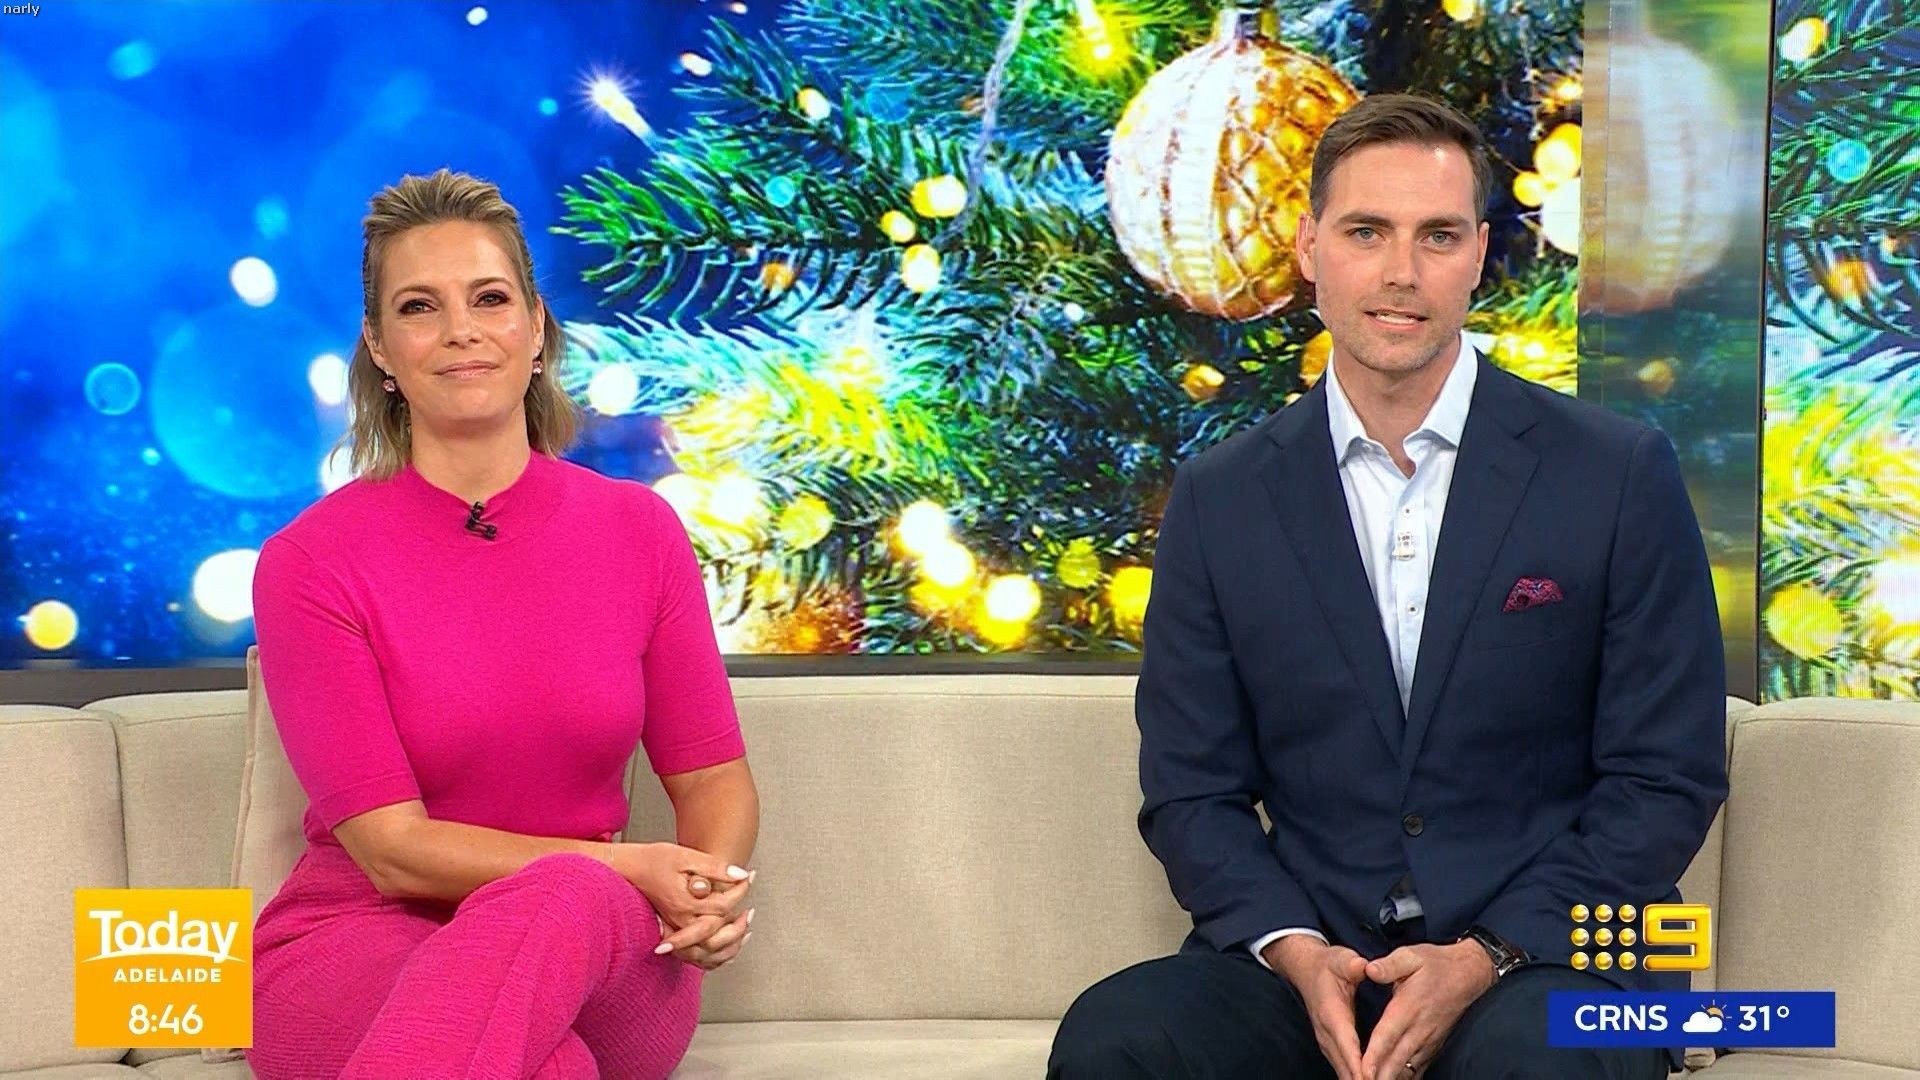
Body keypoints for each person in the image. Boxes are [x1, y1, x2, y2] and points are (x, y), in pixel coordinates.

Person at [1050, 94, 1727, 1080]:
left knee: (1538, 1060)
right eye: (1366, 232)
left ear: (1480, 254)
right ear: (1308, 246)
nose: (1401, 271)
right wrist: (1293, 950)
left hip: (1551, 961)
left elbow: (1666, 778)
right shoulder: (1220, 497)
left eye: (1437, 236)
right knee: (1117, 1039)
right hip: (1313, 966)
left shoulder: (1616, 472)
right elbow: (1193, 791)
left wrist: (1485, 954)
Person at [247, 168, 760, 1080]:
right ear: (380, 348)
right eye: (419, 307)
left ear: (536, 329)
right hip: (358, 944)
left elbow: (714, 778)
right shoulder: (310, 562)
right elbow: (394, 854)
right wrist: (631, 866)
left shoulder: (639, 531)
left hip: (594, 946)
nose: (461, 330)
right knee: (549, 1061)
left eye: (489, 298)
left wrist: (704, 890)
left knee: (566, 895)